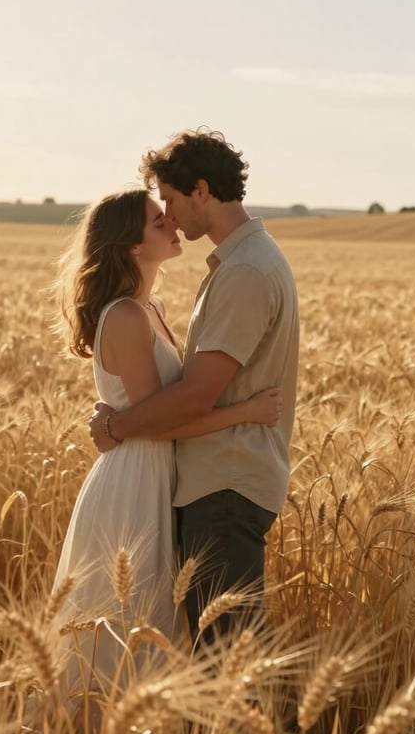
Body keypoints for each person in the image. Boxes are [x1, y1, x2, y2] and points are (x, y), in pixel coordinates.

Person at [50, 188, 281, 695]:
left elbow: (158, 410)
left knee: (150, 617)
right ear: (131, 244)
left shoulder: (149, 307)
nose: (172, 223)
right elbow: (157, 422)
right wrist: (245, 412)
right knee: (125, 618)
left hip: (156, 472)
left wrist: (116, 422)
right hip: (133, 480)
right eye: (158, 222)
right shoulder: (126, 316)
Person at [90, 129, 300, 645]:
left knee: (224, 659)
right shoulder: (241, 263)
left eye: (171, 198)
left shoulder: (245, 271)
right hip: (212, 481)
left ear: (201, 191)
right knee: (218, 654)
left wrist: (117, 426)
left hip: (224, 483)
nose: (170, 214)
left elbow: (194, 395)